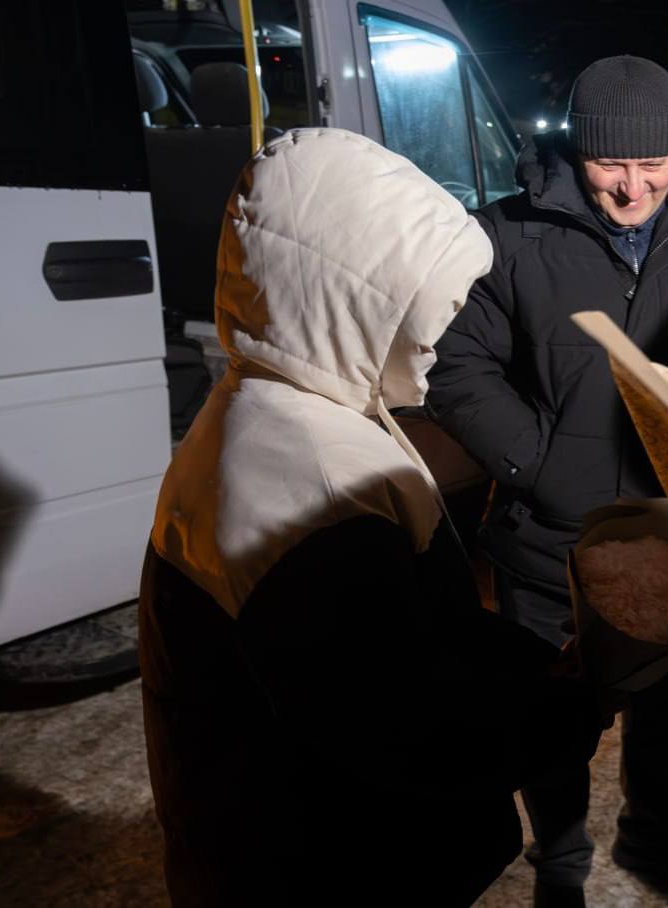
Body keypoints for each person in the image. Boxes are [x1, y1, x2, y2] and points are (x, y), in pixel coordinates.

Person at [138, 129, 603, 907]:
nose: (448, 328)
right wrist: (575, 705)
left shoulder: (274, 410)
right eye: (428, 304)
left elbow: (402, 633)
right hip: (329, 868)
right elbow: (408, 729)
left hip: (278, 845)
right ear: (346, 299)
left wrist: (529, 663)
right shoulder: (307, 489)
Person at [426, 55, 668, 908]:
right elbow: (455, 367)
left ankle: (654, 837)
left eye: (652, 163)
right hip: (550, 543)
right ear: (576, 151)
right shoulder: (506, 235)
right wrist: (540, 465)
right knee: (550, 722)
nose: (633, 187)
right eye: (611, 164)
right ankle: (559, 867)